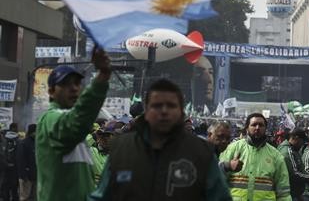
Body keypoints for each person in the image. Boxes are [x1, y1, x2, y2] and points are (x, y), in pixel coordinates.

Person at [90, 79, 231, 200]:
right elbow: (101, 196)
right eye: (157, 105)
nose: (164, 111)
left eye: (171, 106)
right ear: (146, 111)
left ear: (181, 112)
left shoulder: (201, 153)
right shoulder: (122, 149)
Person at [36, 48, 111, 201]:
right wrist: (101, 78)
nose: (74, 88)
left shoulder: (75, 126)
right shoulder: (50, 119)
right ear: (51, 91)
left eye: (77, 83)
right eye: (65, 84)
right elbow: (75, 123)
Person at [220, 113, 291, 201]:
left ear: (265, 129)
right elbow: (217, 178)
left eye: (261, 125)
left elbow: (283, 192)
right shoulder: (232, 149)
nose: (257, 128)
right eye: (254, 125)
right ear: (247, 128)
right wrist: (228, 166)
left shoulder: (276, 155)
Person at [278, 128, 309, 200]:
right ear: (296, 138)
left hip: (294, 193)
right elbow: (294, 173)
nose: (302, 144)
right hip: (289, 194)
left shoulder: (293, 150)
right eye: (302, 141)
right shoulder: (287, 152)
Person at [16, 124, 36, 201]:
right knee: (25, 197)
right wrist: (23, 175)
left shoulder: (36, 143)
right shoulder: (23, 143)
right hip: (26, 177)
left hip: (34, 175)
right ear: (32, 132)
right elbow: (20, 160)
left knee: (34, 197)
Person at [2, 123, 19, 201]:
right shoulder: (17, 140)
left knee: (5, 186)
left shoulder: (4, 139)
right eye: (16, 128)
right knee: (14, 187)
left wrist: (5, 163)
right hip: (15, 167)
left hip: (4, 167)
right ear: (13, 128)